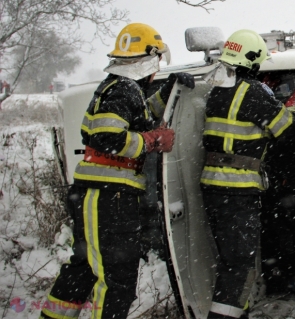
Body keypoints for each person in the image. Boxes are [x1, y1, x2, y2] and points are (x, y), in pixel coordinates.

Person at [41, 23, 195, 319]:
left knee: (85, 269)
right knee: (117, 282)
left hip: (98, 195)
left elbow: (140, 115)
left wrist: (168, 89)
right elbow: (108, 137)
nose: (158, 67)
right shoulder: (123, 89)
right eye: (157, 61)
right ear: (149, 58)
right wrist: (152, 141)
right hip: (108, 198)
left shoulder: (121, 88)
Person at [201, 29, 295, 319]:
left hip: (213, 189)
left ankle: (235, 312)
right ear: (253, 60)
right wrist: (292, 108)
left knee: (229, 260)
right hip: (238, 190)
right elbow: (287, 131)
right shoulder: (253, 92)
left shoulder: (216, 89)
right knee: (238, 265)